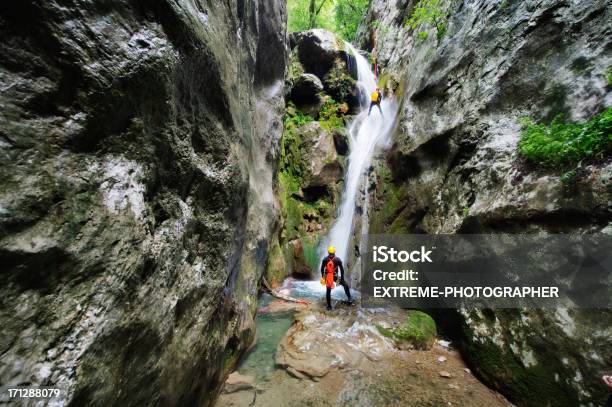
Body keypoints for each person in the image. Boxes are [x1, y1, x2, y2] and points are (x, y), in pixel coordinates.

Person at [320, 246, 353, 310]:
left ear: (328, 252)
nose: (331, 255)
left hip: (328, 276)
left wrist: (323, 277)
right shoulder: (337, 260)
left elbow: (322, 269)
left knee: (328, 290)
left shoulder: (325, 259)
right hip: (335, 276)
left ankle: (329, 306)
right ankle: (349, 298)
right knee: (345, 285)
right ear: (334, 252)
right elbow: (342, 270)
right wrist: (342, 279)